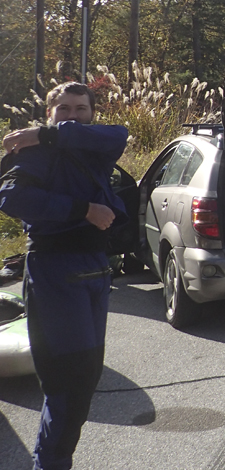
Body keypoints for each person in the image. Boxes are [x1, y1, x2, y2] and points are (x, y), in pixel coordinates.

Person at [0, 82, 128, 470]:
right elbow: (11, 197)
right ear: (49, 113)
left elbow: (119, 134)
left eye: (81, 109)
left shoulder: (94, 145)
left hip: (95, 269)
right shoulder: (36, 154)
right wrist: (82, 210)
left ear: (91, 114)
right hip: (56, 271)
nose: (73, 116)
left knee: (85, 379)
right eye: (64, 109)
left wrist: (47, 133)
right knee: (68, 384)